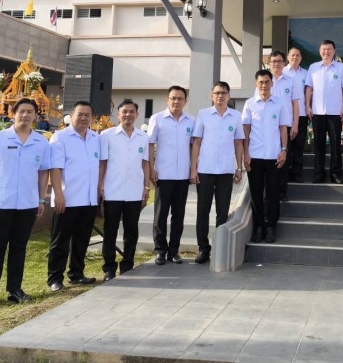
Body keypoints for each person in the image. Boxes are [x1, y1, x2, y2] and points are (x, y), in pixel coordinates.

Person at [0, 98, 51, 310]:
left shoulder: (41, 142)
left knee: (19, 247)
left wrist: (41, 199)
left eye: (30, 112)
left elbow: (43, 172)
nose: (25, 115)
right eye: (22, 111)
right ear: (13, 113)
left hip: (27, 203)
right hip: (1, 202)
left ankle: (14, 289)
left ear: (36, 115)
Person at [47, 101, 101, 291]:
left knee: (81, 240)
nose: (84, 118)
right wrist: (59, 194)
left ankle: (77, 273)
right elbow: (55, 168)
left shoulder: (96, 138)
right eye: (80, 114)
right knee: (60, 241)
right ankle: (55, 278)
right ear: (71, 116)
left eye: (88, 115)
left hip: (88, 199)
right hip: (67, 199)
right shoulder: (60, 137)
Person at [191, 81, 245, 264]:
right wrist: (193, 169)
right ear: (211, 96)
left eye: (224, 93)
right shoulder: (203, 115)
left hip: (225, 171)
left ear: (229, 96)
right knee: (203, 211)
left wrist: (239, 168)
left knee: (222, 211)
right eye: (217, 93)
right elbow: (196, 142)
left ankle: (219, 247)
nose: (220, 96)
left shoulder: (236, 116)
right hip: (205, 170)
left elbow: (239, 143)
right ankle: (203, 248)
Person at [98, 99, 150, 280]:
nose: (128, 114)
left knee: (131, 231)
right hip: (113, 190)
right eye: (124, 111)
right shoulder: (107, 135)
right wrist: (101, 184)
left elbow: (145, 164)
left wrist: (146, 186)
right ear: (118, 114)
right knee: (110, 230)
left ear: (136, 114)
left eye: (131, 111)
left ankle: (127, 264)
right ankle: (109, 268)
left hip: (135, 191)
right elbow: (102, 163)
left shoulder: (143, 137)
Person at [147, 85, 194, 265]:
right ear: (167, 100)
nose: (176, 101)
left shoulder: (191, 120)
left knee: (179, 215)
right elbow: (151, 145)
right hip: (163, 174)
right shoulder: (157, 119)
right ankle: (160, 250)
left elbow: (193, 146)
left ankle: (174, 251)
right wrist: (152, 168)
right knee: (160, 215)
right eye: (173, 98)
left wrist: (192, 169)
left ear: (185, 101)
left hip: (182, 175)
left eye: (180, 98)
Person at [242, 70, 289, 243]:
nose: (264, 85)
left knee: (273, 192)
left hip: (274, 156)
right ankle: (259, 225)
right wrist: (245, 153)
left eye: (267, 82)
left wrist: (284, 150)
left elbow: (283, 128)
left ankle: (271, 226)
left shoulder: (279, 103)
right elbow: (245, 130)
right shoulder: (249, 104)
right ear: (256, 84)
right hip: (254, 155)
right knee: (255, 193)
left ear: (272, 84)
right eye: (261, 82)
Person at [305, 39, 343, 184]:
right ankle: (319, 174)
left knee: (336, 144)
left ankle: (335, 174)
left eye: (329, 49)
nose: (326, 52)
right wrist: (307, 106)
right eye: (323, 49)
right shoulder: (313, 67)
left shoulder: (341, 67)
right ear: (320, 51)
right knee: (318, 145)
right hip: (318, 112)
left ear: (334, 51)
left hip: (335, 112)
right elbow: (308, 89)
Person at [268, 51, 299, 202]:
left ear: (283, 63)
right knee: (270, 159)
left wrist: (295, 124)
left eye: (279, 61)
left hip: (285, 126)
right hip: (268, 127)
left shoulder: (290, 80)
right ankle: (269, 191)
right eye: (273, 61)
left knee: (284, 158)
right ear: (269, 63)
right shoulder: (264, 81)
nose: (276, 64)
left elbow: (295, 104)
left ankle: (282, 190)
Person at [283, 47, 309, 184]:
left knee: (299, 145)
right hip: (285, 116)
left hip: (302, 114)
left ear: (301, 58)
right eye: (292, 55)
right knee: (286, 146)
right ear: (288, 57)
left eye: (298, 55)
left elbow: (309, 93)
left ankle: (297, 173)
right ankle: (285, 173)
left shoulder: (306, 73)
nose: (295, 57)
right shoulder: (281, 72)